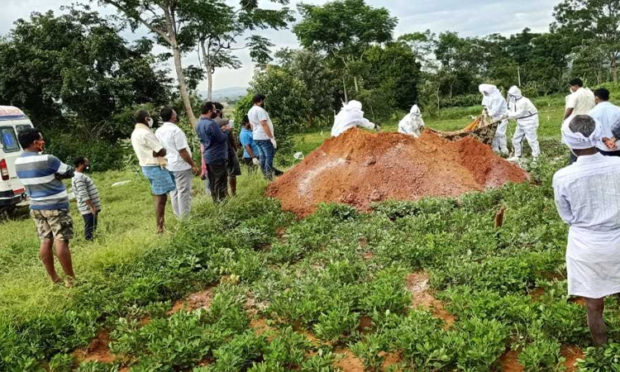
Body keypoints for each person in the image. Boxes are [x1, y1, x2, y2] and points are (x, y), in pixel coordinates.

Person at [553, 114, 620, 346]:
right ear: (598, 135)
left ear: (569, 142)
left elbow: (567, 216)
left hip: (587, 247)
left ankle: (602, 353)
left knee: (594, 305)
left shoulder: (562, 177)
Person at [15, 128, 76, 286]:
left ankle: (54, 278)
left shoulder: (18, 162)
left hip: (36, 207)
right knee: (61, 240)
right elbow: (70, 171)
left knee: (45, 240)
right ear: (35, 143)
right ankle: (70, 280)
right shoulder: (48, 159)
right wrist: (56, 175)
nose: (43, 142)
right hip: (55, 206)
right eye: (41, 140)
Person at [130, 109, 175, 234]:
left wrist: (156, 151)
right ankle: (160, 227)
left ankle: (160, 226)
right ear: (146, 119)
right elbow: (161, 150)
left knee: (158, 195)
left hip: (146, 166)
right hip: (154, 167)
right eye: (149, 117)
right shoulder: (145, 133)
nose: (151, 119)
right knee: (161, 198)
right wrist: (160, 150)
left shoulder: (135, 132)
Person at [155, 107, 199, 218]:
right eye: (175, 113)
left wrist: (162, 165)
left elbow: (158, 150)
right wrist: (193, 164)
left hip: (168, 165)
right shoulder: (176, 131)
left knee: (174, 192)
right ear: (172, 116)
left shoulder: (158, 131)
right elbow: (182, 151)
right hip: (180, 166)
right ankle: (185, 219)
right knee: (183, 192)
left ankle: (178, 216)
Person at [196, 101, 231, 202]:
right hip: (217, 156)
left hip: (208, 156)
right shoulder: (211, 124)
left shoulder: (199, 124)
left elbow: (211, 137)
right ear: (210, 111)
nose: (216, 111)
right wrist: (227, 131)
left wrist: (221, 131)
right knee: (221, 181)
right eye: (215, 109)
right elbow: (221, 139)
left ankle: (215, 201)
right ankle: (222, 202)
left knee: (212, 181)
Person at [505, 86, 540, 161]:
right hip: (520, 122)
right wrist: (507, 115)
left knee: (532, 140)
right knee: (516, 139)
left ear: (515, 95)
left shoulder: (524, 101)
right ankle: (518, 156)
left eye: (511, 95)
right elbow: (511, 111)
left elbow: (519, 113)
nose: (510, 97)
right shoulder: (513, 101)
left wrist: (508, 116)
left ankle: (536, 157)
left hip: (529, 121)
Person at [214, 102, 241, 196]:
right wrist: (235, 148)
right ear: (218, 111)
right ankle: (233, 193)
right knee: (231, 173)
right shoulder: (222, 122)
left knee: (222, 174)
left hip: (216, 153)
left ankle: (226, 194)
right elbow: (231, 136)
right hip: (227, 150)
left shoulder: (208, 123)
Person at [248, 94, 277, 180]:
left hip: (256, 136)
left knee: (262, 156)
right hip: (264, 137)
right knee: (269, 156)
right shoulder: (260, 110)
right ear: (260, 101)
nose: (264, 102)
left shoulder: (250, 111)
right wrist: (271, 138)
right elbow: (264, 124)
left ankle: (265, 175)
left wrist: (254, 133)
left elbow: (251, 125)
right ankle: (269, 176)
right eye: (263, 100)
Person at [72, 157, 101, 241]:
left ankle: (92, 241)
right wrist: (91, 207)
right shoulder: (79, 177)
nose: (88, 165)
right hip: (87, 208)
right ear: (81, 164)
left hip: (88, 207)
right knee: (90, 228)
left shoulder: (79, 175)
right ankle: (90, 243)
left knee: (93, 226)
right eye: (86, 163)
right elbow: (83, 193)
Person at [479, 84, 509, 155]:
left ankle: (504, 150)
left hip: (501, 117)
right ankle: (496, 150)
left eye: (486, 92)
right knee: (493, 133)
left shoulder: (498, 98)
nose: (485, 94)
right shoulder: (487, 95)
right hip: (493, 118)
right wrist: (485, 110)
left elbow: (494, 111)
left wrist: (487, 114)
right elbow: (485, 104)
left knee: (500, 133)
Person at [589, 88, 620, 156]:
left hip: (602, 147)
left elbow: (592, 131)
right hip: (618, 145)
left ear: (596, 98)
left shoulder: (592, 112)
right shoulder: (618, 109)